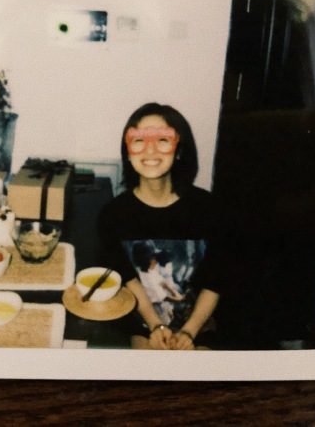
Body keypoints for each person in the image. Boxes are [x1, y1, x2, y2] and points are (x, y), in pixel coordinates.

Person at [97, 102, 227, 350]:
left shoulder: (209, 209)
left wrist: (189, 332)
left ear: (179, 151)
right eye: (139, 141)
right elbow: (129, 279)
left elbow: (215, 281)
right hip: (144, 320)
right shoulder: (113, 215)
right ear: (128, 152)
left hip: (198, 322)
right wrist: (156, 326)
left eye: (163, 140)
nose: (150, 150)